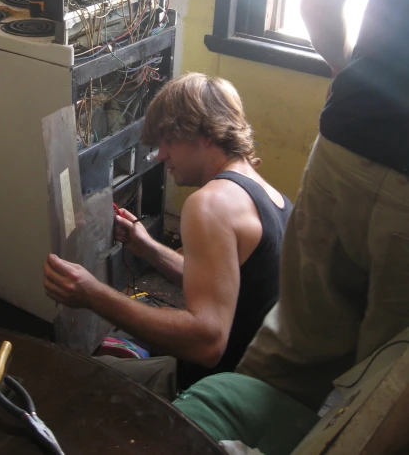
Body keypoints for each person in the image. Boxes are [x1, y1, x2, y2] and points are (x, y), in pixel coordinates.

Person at [236, 0, 409, 411]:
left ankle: (225, 437)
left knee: (296, 342)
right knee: (382, 373)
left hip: (346, 141)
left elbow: (317, 0)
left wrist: (346, 72)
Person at [44, 73, 292, 399]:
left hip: (213, 390)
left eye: (169, 141)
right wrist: (148, 248)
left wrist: (92, 294)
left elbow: (207, 342)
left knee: (70, 379)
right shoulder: (267, 195)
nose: (161, 154)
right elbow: (221, 285)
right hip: (254, 380)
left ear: (205, 134)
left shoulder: (209, 205)